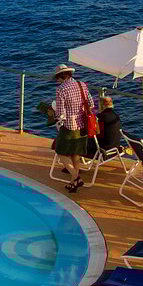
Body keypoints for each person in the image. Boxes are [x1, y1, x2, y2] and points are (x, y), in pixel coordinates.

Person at [49, 63, 96, 192]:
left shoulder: (61, 89)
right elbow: (91, 104)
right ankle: (73, 183)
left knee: (60, 151)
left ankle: (76, 178)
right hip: (83, 125)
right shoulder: (82, 85)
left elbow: (61, 113)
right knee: (75, 154)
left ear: (60, 76)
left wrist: (53, 114)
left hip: (69, 126)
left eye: (57, 78)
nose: (57, 81)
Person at [94, 93, 124, 158]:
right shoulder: (116, 116)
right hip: (116, 147)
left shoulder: (101, 117)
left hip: (105, 149)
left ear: (102, 106)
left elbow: (97, 133)